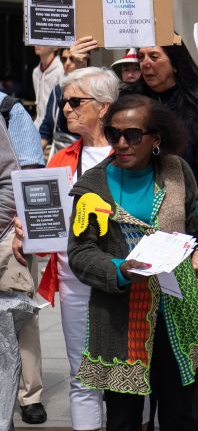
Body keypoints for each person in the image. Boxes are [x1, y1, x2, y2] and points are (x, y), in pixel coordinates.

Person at [67, 94, 198, 431]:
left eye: (132, 134)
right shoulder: (93, 188)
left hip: (177, 312)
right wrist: (119, 269)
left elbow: (193, 227)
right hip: (120, 318)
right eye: (113, 134)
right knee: (123, 417)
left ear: (156, 138)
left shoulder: (178, 171)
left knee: (183, 413)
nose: (121, 143)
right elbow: (80, 253)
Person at [32, 67, 119, 431]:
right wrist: (31, 231)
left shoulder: (133, 154)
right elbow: (46, 228)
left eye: (74, 101)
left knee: (128, 377)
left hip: (126, 278)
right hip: (74, 281)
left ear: (103, 107)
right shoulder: (61, 158)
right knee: (83, 374)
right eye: (64, 101)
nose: (66, 109)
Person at [124, 45, 198, 188]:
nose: (145, 64)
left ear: (175, 64)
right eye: (141, 57)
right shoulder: (130, 104)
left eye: (154, 57)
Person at [0, 117, 41, 431]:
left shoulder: (9, 110)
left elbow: (15, 181)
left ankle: (24, 402)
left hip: (6, 249)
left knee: (8, 345)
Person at [31, 45, 63, 128]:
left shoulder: (61, 69)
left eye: (43, 40)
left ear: (55, 47)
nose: (37, 44)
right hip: (39, 126)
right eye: (36, 39)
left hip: (56, 126)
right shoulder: (35, 72)